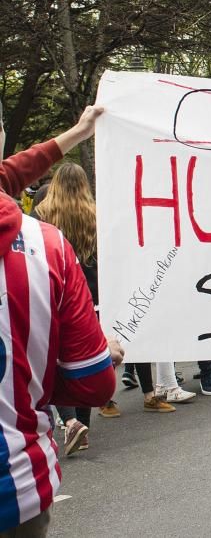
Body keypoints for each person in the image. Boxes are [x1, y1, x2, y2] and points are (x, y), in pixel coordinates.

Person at [0, 106, 125, 536]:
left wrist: (76, 133)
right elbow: (94, 382)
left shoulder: (45, 217)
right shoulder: (47, 247)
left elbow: (12, 172)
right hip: (13, 488)